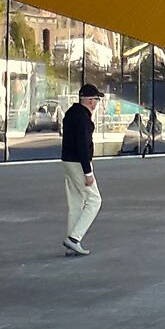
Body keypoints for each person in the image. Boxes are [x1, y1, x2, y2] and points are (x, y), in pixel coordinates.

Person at [61, 82, 103, 256]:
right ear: (89, 101)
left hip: (68, 161)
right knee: (94, 200)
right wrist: (88, 172)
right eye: (96, 100)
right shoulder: (83, 118)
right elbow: (83, 145)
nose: (96, 104)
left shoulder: (71, 113)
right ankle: (74, 238)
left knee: (76, 202)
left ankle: (72, 242)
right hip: (79, 163)